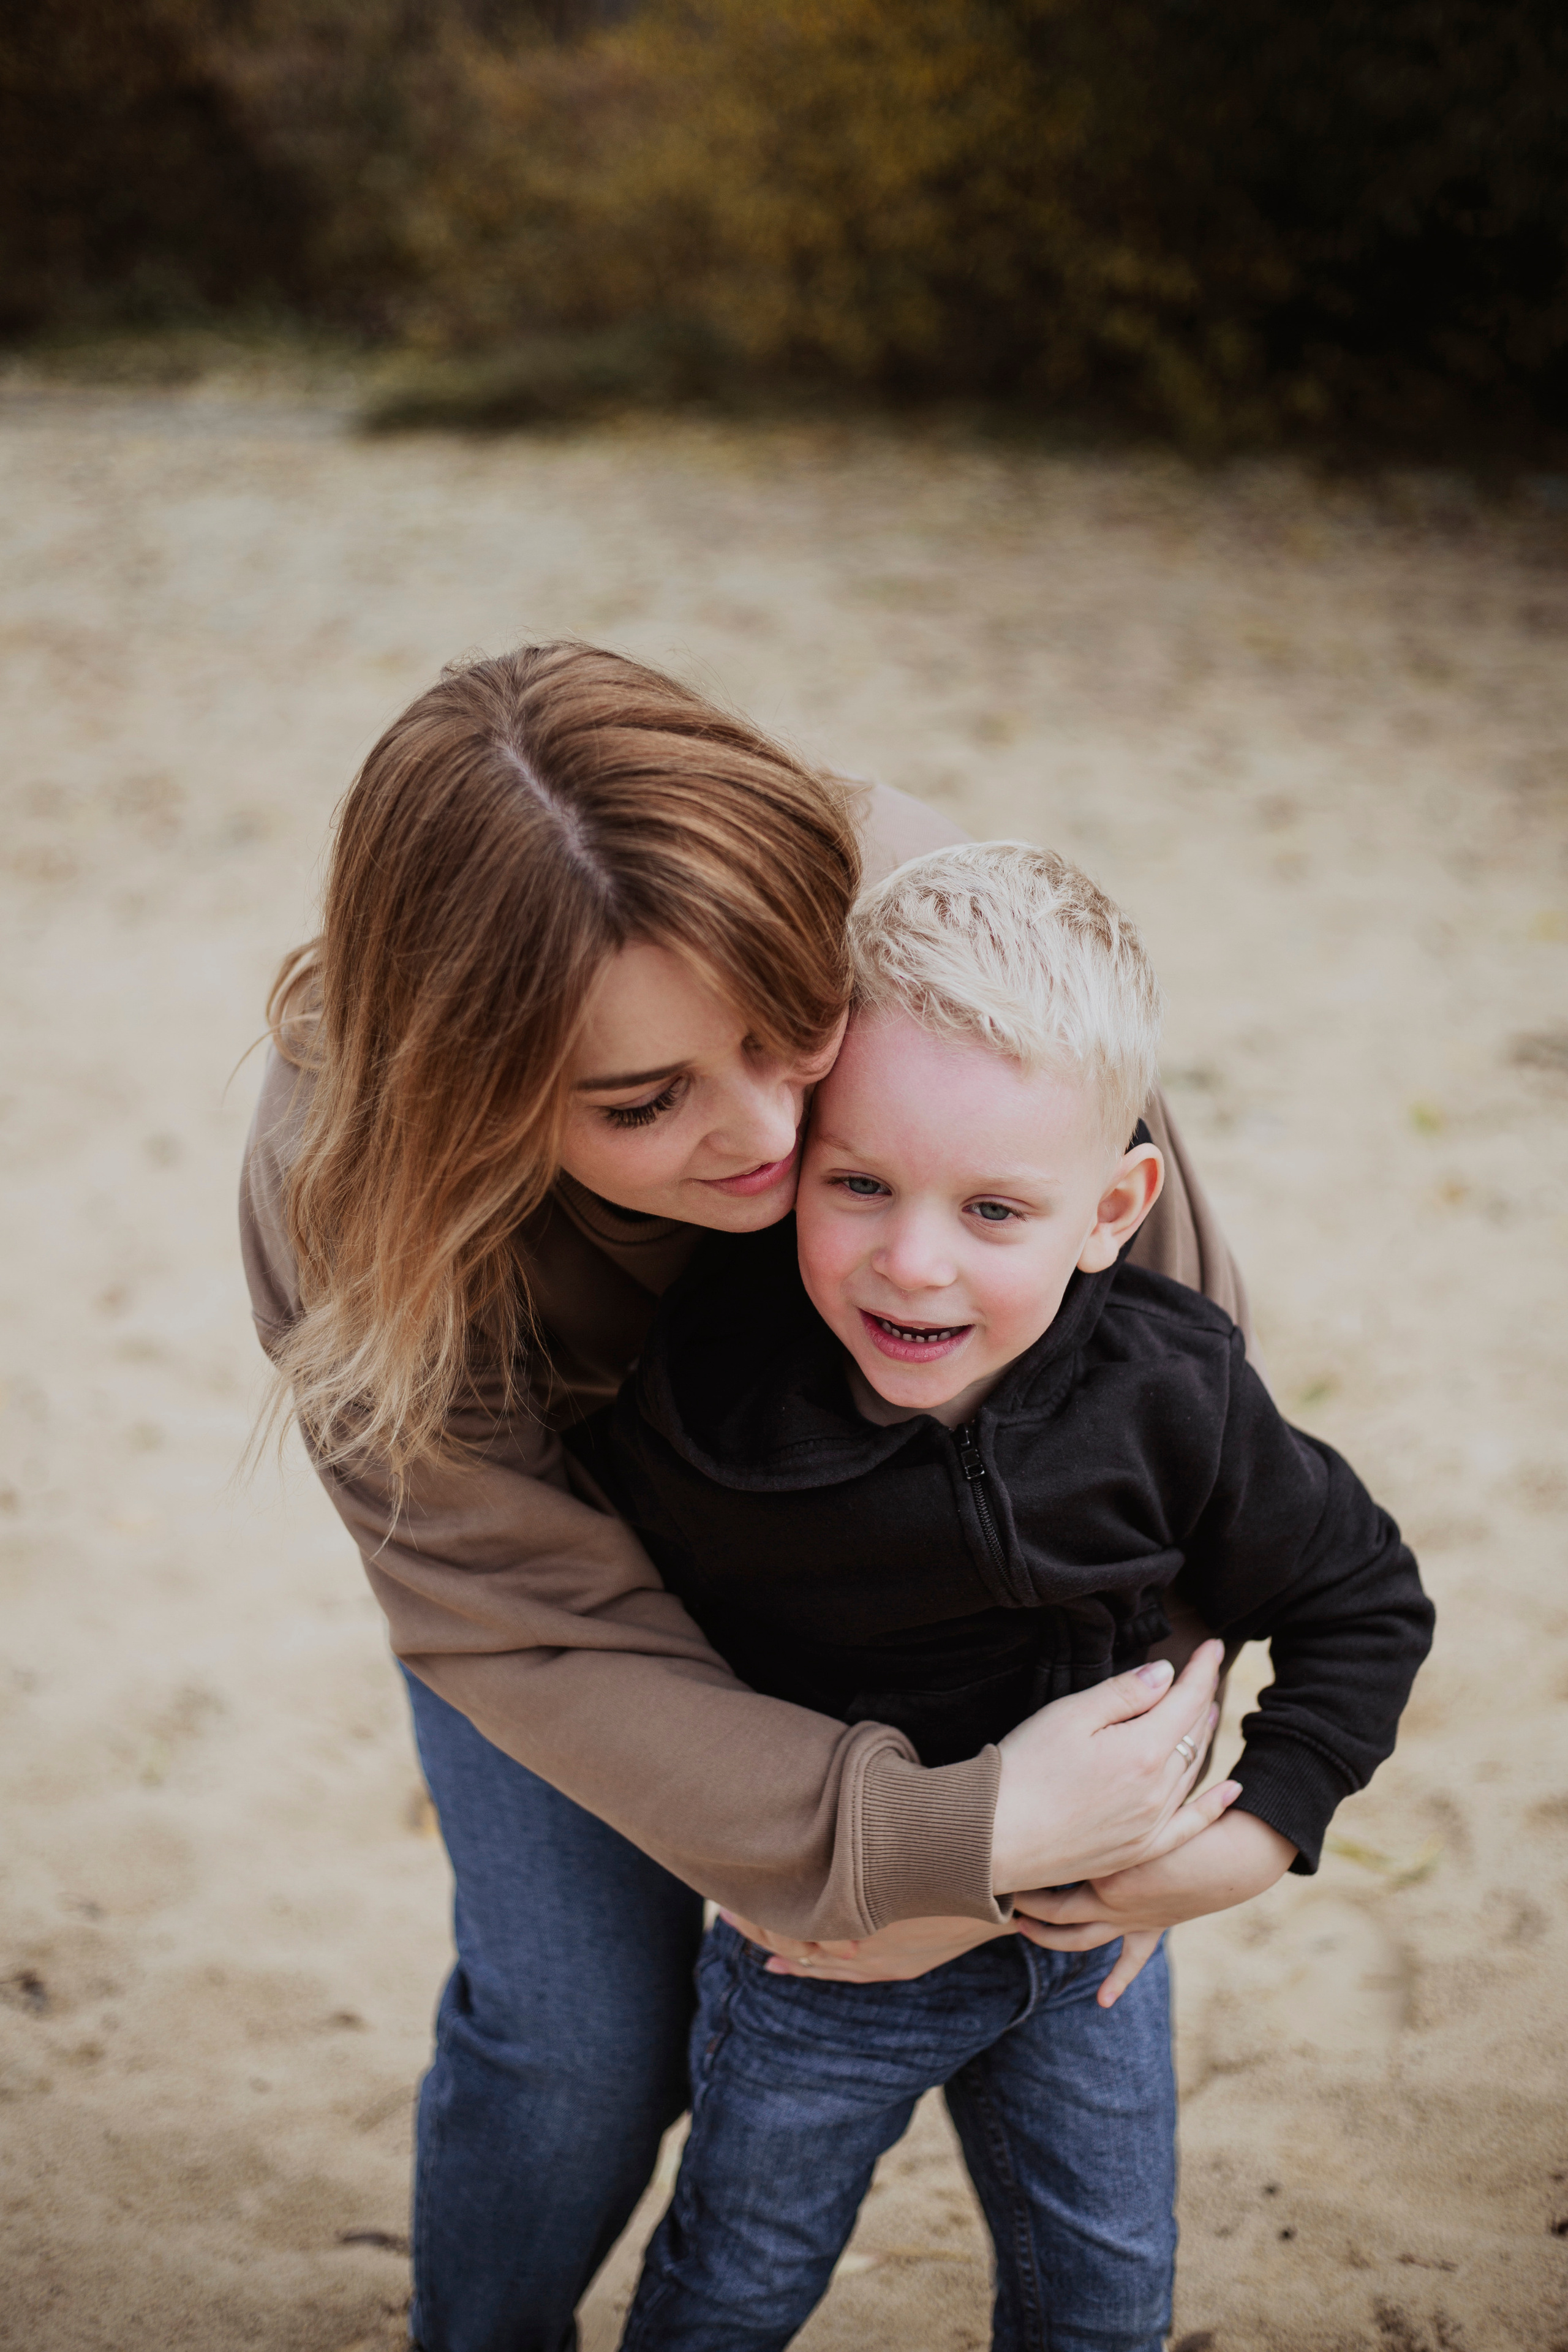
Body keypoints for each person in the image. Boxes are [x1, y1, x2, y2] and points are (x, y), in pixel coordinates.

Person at [241, 645, 1255, 2352]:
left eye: (795, 1032)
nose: (772, 1130)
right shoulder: (337, 1172)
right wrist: (924, 1843)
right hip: (573, 1594)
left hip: (926, 1554)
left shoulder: (934, 916)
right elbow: (521, 1610)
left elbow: (1174, 1345)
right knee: (575, 2043)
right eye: (646, 1102)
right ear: (467, 1093)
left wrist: (1167, 1738)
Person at [574, 842, 1434, 2352]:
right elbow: (622, 1665)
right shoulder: (706, 1400)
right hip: (828, 1960)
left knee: (1104, 2292)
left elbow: (1360, 1594)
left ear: (1112, 1208)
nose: (911, 1265)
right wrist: (776, 1852)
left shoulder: (1172, 1394)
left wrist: (1251, 1836)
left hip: (1089, 1947)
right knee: (734, 2279)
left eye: (994, 1212)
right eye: (857, 1186)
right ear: (794, 1159)